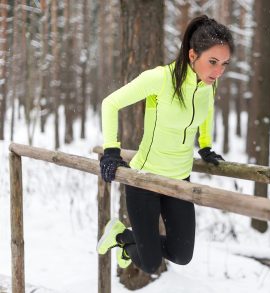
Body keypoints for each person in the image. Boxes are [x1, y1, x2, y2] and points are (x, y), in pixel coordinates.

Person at [97, 15, 234, 274]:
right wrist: (111, 151)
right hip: (145, 179)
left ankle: (124, 236)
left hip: (179, 181)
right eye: (212, 62)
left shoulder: (208, 86)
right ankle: (120, 238)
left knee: (181, 255)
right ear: (193, 55)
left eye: (224, 64)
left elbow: (207, 112)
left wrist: (205, 146)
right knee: (150, 263)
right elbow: (110, 103)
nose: (218, 72)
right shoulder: (160, 79)